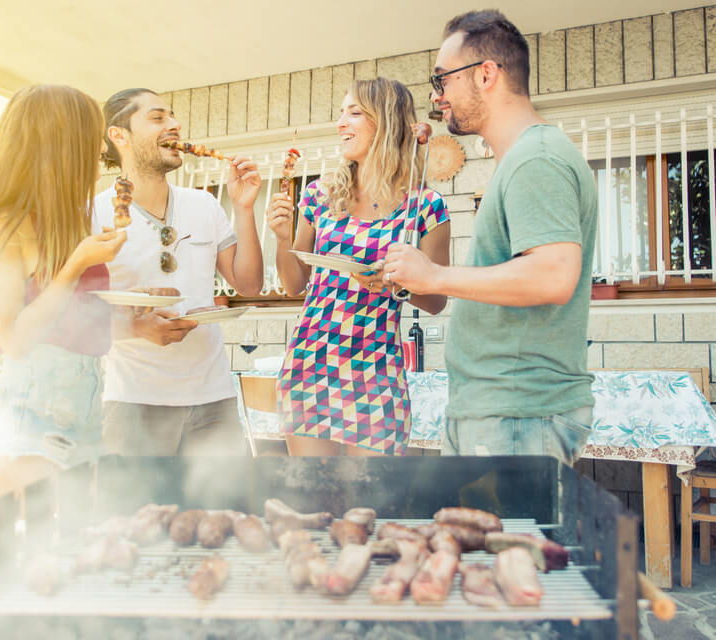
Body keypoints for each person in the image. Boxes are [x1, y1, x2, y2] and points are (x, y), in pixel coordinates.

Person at [380, 9, 598, 465]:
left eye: (443, 80)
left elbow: (554, 276)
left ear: (485, 74)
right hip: (499, 412)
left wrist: (434, 275)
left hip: (517, 414)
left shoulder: (536, 159)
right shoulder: (521, 159)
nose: (437, 98)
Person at [267, 77, 451, 457]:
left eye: (354, 113)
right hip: (310, 361)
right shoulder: (321, 193)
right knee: (313, 500)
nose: (341, 123)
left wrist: (396, 283)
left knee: (369, 502)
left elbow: (436, 301)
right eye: (341, 113)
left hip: (375, 370)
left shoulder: (426, 205)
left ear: (384, 122)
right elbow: (294, 284)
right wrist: (283, 238)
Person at [0, 84, 126, 503]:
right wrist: (74, 266)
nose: (100, 160)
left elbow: (74, 328)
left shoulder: (65, 223)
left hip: (81, 418)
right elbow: (13, 339)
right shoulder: (7, 227)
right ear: (60, 150)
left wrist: (142, 324)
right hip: (27, 427)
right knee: (25, 560)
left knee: (75, 556)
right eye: (91, 147)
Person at [93, 88, 264, 456]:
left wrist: (244, 208)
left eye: (172, 117)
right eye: (157, 118)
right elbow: (75, 315)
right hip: (134, 405)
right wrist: (138, 327)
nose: (174, 124)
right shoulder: (93, 215)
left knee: (221, 513)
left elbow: (249, 283)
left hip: (214, 401)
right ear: (118, 135)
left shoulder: (204, 204)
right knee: (138, 515)